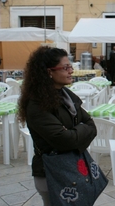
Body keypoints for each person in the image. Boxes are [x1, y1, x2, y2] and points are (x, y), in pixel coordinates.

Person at [17, 46, 97, 206]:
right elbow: (64, 139)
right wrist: (78, 132)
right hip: (51, 173)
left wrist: (73, 132)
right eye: (66, 67)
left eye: (71, 66)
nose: (71, 71)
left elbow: (91, 125)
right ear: (49, 72)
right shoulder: (38, 104)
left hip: (71, 168)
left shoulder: (67, 96)